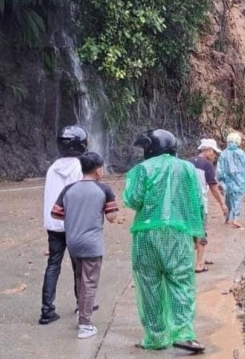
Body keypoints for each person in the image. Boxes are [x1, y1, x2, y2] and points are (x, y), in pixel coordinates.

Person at [123, 129, 206, 353]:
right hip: (178, 234)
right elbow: (197, 202)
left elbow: (132, 200)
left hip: (146, 235)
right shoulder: (188, 168)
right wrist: (199, 234)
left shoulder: (142, 169)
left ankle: (155, 337)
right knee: (181, 282)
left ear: (151, 147)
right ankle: (184, 334)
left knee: (149, 285)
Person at [50, 152, 118, 339]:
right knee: (90, 283)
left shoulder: (69, 189)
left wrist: (75, 214)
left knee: (80, 278)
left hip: (72, 242)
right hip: (92, 244)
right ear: (98, 170)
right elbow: (112, 217)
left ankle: (82, 311)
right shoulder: (104, 189)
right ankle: (85, 325)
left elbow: (55, 214)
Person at [39, 125, 88, 325]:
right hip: (74, 224)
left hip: (53, 224)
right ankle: (82, 305)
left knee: (53, 265)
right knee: (80, 266)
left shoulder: (53, 168)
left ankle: (47, 310)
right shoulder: (79, 167)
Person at [189, 139, 228, 273]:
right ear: (207, 150)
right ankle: (199, 264)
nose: (214, 156)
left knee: (188, 232)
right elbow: (213, 186)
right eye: (214, 153)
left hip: (184, 204)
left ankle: (187, 261)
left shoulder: (187, 163)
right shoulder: (206, 165)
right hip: (200, 204)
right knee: (201, 233)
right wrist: (222, 203)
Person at [216, 132, 245, 229]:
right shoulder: (241, 153)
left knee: (228, 198)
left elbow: (219, 168)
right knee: (237, 199)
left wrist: (218, 179)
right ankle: (236, 219)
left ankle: (227, 218)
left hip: (227, 180)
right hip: (239, 179)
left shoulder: (223, 153)